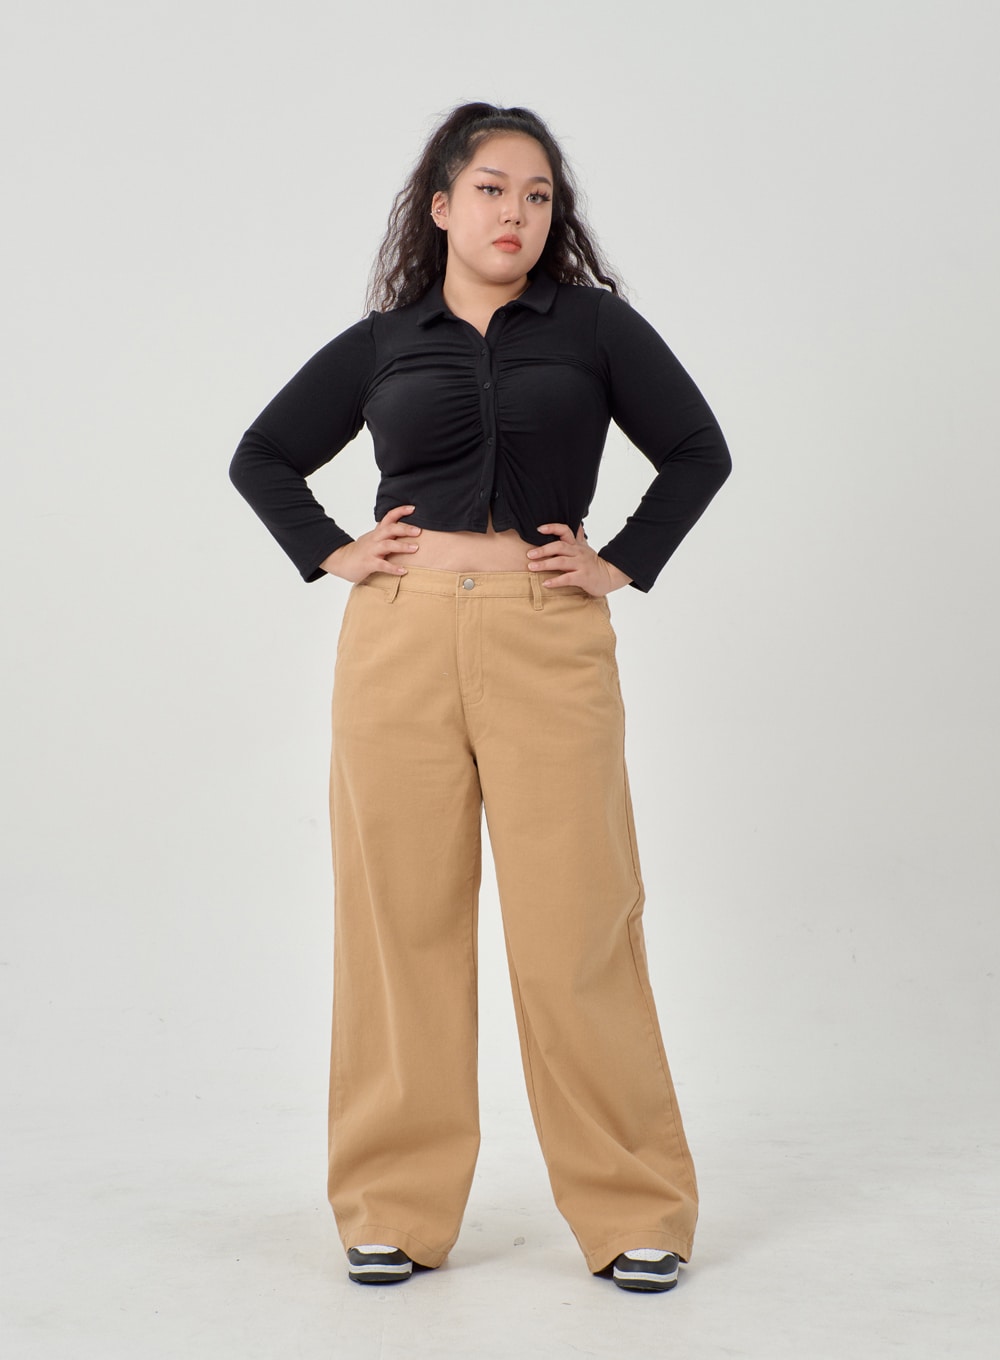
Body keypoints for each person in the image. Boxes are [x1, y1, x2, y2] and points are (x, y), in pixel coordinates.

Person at [229, 101, 731, 1294]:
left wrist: (622, 559)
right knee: (397, 920)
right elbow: (262, 453)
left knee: (579, 922)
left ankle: (633, 1205)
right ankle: (392, 1207)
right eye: (495, 189)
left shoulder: (595, 329)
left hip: (547, 636)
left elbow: (697, 449)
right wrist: (333, 549)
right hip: (398, 641)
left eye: (539, 194)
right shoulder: (385, 341)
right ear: (443, 205)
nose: (518, 212)